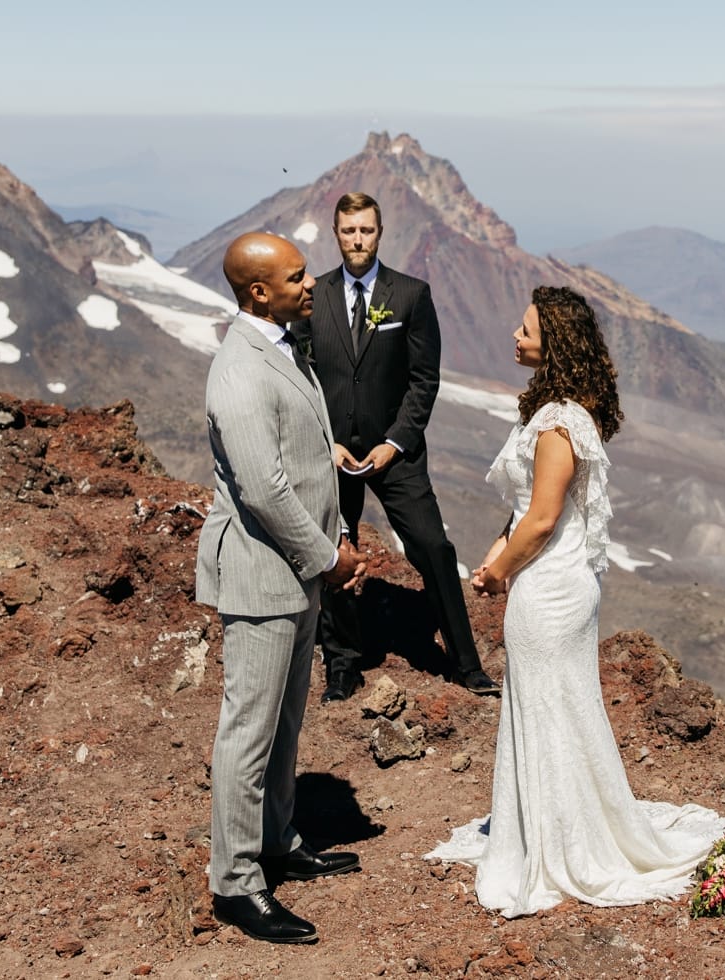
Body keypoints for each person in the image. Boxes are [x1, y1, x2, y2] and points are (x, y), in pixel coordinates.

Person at [425, 286, 725, 917]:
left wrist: (497, 575)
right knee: (558, 705)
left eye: (525, 330)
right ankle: (557, 822)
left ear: (555, 343)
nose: (514, 336)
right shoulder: (567, 411)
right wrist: (498, 551)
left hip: (548, 587)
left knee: (547, 704)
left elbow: (542, 519)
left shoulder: (555, 423)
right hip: (562, 581)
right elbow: (525, 511)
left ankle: (555, 844)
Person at [196, 232, 370, 945]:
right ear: (258, 291)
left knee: (285, 722)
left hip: (294, 573)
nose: (311, 285)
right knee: (249, 729)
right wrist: (329, 557)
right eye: (297, 278)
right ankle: (235, 883)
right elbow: (264, 488)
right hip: (266, 573)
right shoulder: (238, 369)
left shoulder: (277, 346)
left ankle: (276, 842)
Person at [300, 191, 497, 701]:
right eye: (348, 230)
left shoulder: (410, 295)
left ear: (379, 233)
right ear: (336, 234)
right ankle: (342, 666)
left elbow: (423, 380)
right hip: (334, 455)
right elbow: (301, 376)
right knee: (336, 549)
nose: (357, 239)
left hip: (397, 454)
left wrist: (394, 443)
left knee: (433, 545)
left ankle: (466, 664)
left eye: (366, 230)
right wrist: (327, 442)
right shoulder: (313, 296)